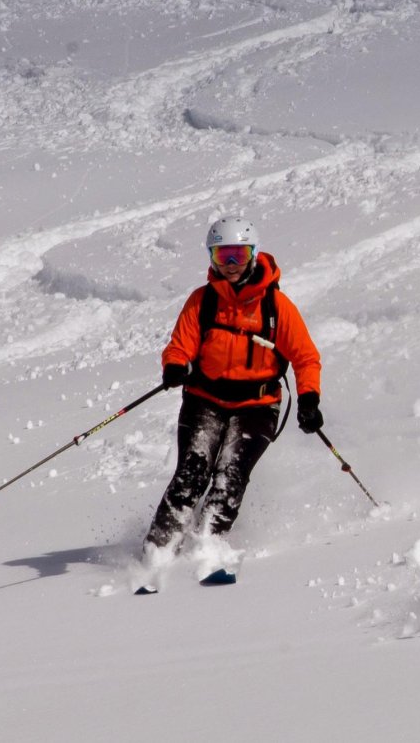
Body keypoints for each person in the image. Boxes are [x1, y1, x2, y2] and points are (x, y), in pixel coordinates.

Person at [140, 217, 323, 580]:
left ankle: (205, 550)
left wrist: (309, 399)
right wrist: (175, 366)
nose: (231, 264)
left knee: (230, 477)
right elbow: (180, 345)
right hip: (204, 400)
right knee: (191, 475)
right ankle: (155, 555)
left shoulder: (276, 306)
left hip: (256, 406)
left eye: (238, 254)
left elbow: (305, 357)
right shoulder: (203, 301)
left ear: (254, 254)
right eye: (223, 255)